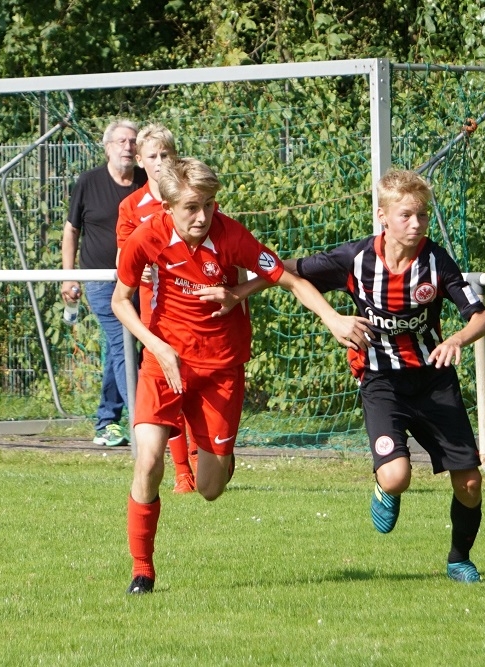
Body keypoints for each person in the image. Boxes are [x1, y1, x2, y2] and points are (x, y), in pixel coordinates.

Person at [214, 169, 485, 583]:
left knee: (469, 483)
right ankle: (385, 486)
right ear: (383, 216)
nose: (416, 224)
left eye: (422, 215)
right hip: (381, 382)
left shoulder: (436, 262)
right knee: (396, 478)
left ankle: (458, 559)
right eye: (406, 215)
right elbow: (287, 270)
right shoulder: (355, 258)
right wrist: (240, 290)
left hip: (434, 381)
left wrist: (457, 338)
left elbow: (483, 317)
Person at [111, 157, 374, 595]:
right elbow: (120, 301)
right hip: (164, 363)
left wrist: (331, 318)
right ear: (169, 207)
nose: (202, 216)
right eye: (192, 207)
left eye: (209, 205)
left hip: (221, 367)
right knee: (149, 460)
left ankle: (221, 456)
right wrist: (156, 345)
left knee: (210, 489)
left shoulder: (231, 235)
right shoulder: (146, 237)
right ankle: (142, 570)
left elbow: (286, 277)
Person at [115, 124, 198, 494]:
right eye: (153, 156)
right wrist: (141, 266)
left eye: (166, 154)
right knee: (169, 383)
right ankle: (181, 469)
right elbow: (123, 258)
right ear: (140, 160)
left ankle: (201, 457)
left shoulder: (192, 197)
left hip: (195, 302)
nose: (161, 162)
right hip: (156, 309)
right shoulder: (131, 207)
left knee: (196, 381)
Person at [62, 119, 146, 447]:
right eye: (121, 141)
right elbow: (71, 230)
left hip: (140, 280)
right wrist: (69, 275)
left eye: (133, 141)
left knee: (120, 346)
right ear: (107, 147)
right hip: (100, 281)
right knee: (123, 342)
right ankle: (144, 423)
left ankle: (106, 422)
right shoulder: (89, 182)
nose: (128, 146)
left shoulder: (146, 182)